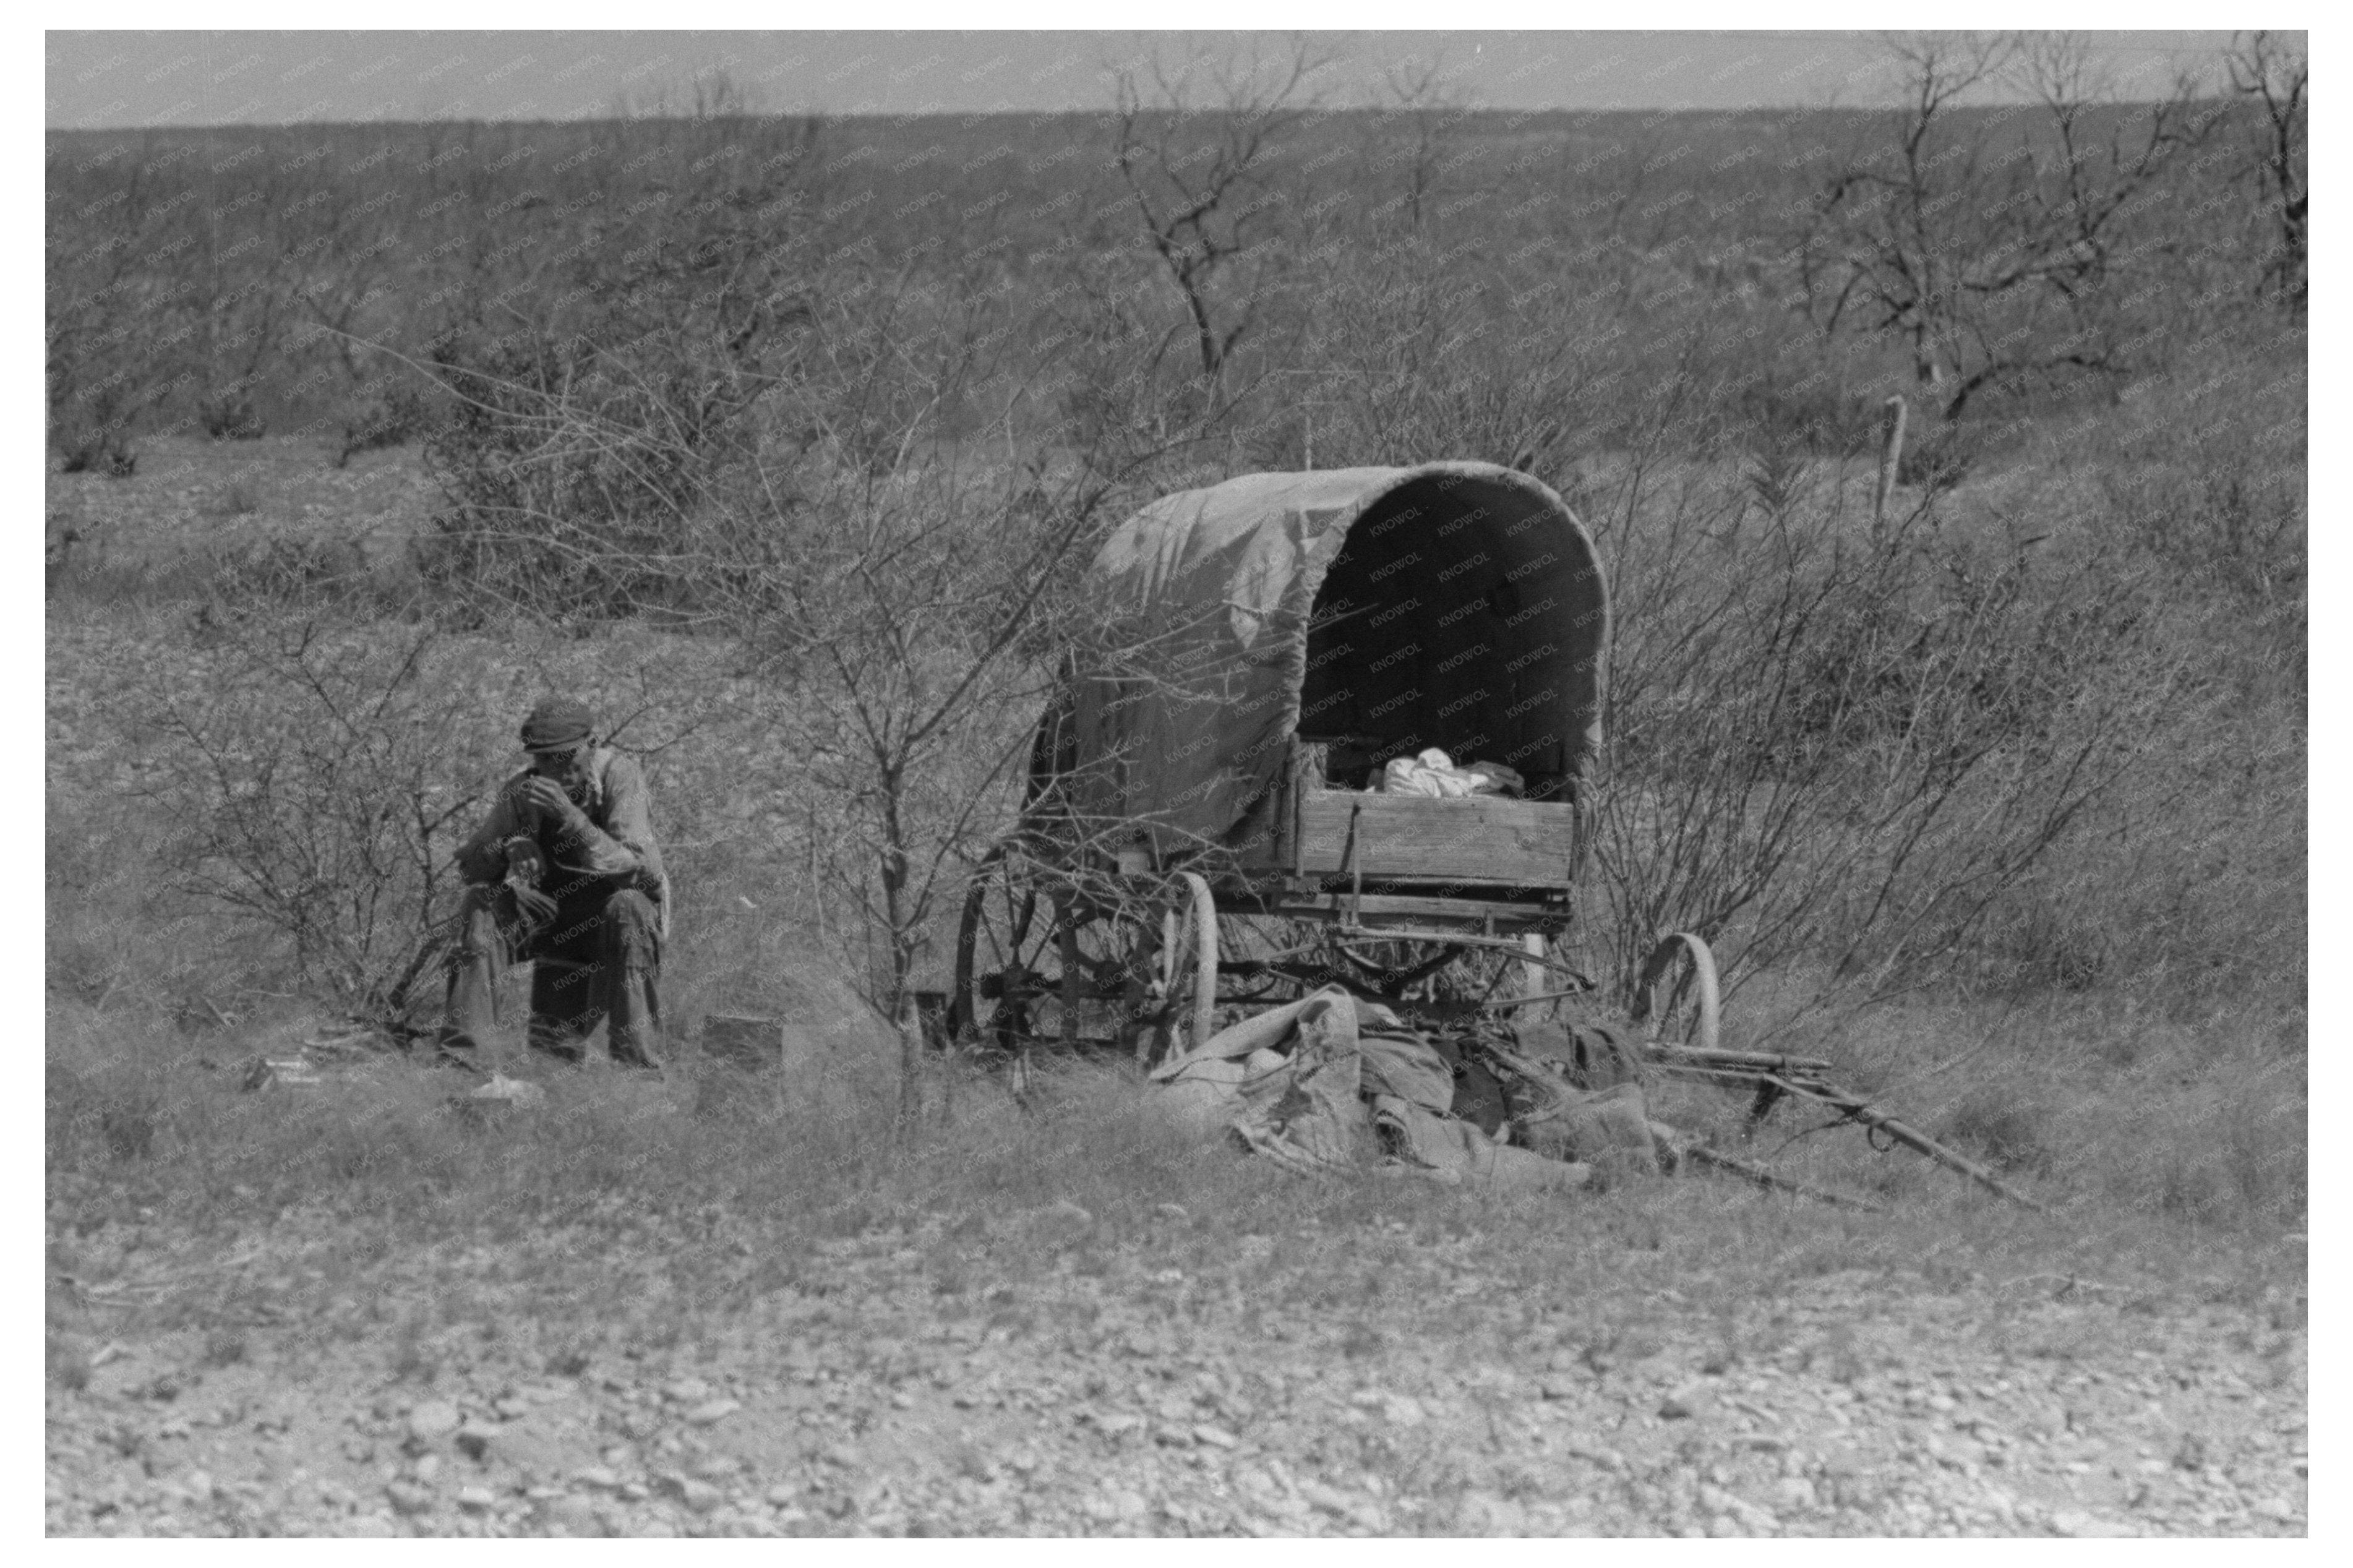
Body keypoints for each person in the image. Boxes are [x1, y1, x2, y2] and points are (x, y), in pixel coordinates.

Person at [438, 696, 669, 1069]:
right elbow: (471, 870)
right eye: (543, 758)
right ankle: (464, 1064)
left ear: (591, 745)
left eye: (564, 756)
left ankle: (637, 1074)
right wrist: (508, 847)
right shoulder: (523, 790)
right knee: (482, 901)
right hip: (553, 920)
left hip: (614, 925)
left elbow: (641, 870)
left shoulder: (620, 776)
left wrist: (569, 816)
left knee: (629, 905)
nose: (554, 767)